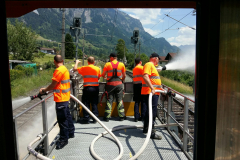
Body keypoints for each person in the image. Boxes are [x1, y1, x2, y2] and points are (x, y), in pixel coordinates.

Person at [39, 55, 75, 149]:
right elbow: (59, 85)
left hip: (61, 99)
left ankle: (64, 140)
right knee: (67, 116)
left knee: (62, 120)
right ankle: (71, 132)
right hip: (65, 98)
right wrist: (49, 90)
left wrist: (44, 90)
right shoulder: (65, 69)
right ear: (62, 61)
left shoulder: (58, 71)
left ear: (54, 61)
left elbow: (53, 85)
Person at [141, 53, 165, 140]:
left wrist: (160, 88)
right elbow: (145, 76)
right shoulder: (149, 64)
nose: (158, 61)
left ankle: (146, 129)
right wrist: (152, 88)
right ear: (155, 58)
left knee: (149, 111)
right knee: (152, 112)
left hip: (152, 92)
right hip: (150, 93)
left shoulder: (152, 67)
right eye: (158, 59)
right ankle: (152, 132)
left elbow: (153, 79)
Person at [73, 56, 101, 124]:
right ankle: (95, 118)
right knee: (94, 103)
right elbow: (99, 77)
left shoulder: (84, 68)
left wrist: (76, 62)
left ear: (87, 62)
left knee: (86, 103)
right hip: (95, 88)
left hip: (87, 88)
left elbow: (74, 69)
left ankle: (86, 118)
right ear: (94, 62)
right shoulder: (97, 68)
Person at [101, 53, 126, 121]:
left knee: (109, 100)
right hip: (119, 84)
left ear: (111, 57)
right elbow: (124, 75)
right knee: (119, 100)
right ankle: (122, 116)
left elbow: (103, 74)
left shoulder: (107, 64)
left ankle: (107, 117)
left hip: (110, 84)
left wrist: (105, 76)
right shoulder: (121, 64)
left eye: (110, 57)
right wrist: (121, 80)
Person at [132, 58, 144, 122]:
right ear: (140, 62)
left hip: (136, 86)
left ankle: (136, 117)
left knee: (136, 102)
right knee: (143, 102)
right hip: (142, 86)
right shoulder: (142, 68)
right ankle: (142, 117)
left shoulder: (134, 69)